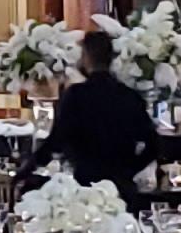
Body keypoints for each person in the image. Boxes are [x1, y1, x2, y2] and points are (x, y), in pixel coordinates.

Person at [42, 28, 156, 192]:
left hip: (85, 186)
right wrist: (130, 168)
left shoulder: (76, 96)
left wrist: (27, 168)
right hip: (121, 187)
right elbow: (154, 145)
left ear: (86, 57)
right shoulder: (130, 96)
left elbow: (56, 141)